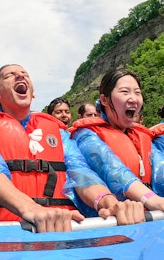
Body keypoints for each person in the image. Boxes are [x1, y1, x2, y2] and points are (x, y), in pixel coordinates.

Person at [0, 64, 143, 233]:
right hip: (7, 231)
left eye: (25, 74)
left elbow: (80, 172)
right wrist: (32, 209)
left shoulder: (58, 133)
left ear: (33, 94)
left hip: (61, 226)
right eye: (10, 75)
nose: (20, 76)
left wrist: (106, 201)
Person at [70, 69, 164, 211]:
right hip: (110, 219)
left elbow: (160, 168)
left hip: (148, 218)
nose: (133, 98)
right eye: (125, 92)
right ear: (104, 100)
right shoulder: (86, 135)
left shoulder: (141, 136)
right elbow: (113, 170)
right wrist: (151, 199)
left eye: (137, 93)